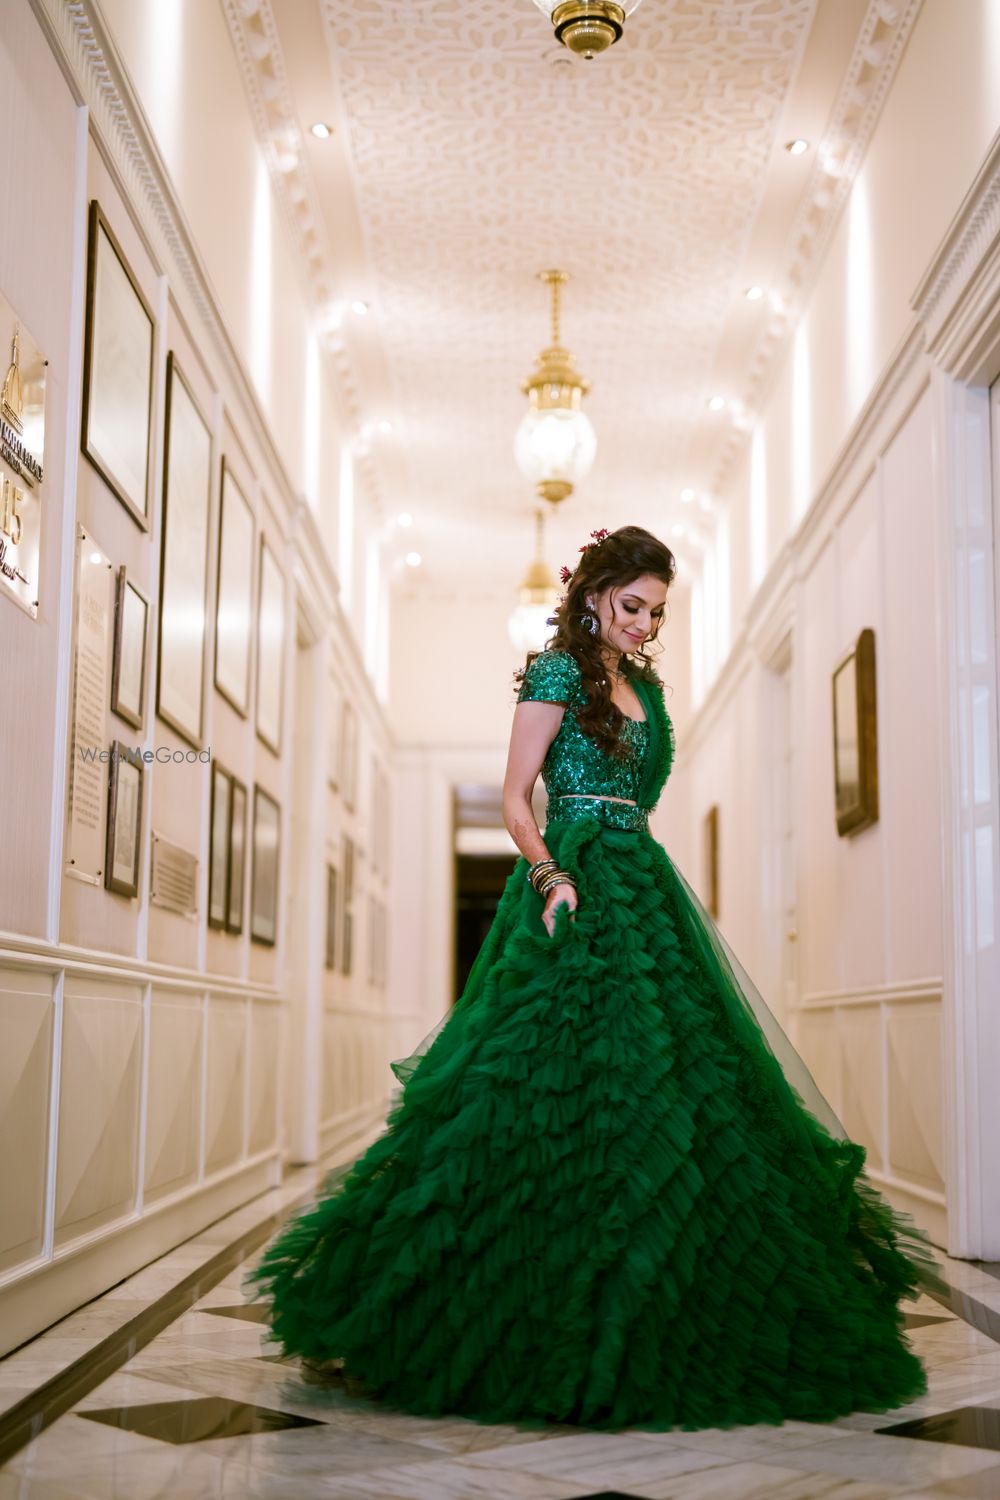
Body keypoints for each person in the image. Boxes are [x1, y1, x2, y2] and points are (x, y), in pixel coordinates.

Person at [251, 522, 944, 1432]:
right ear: (593, 595)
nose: (645, 627)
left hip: (644, 882)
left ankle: (675, 1294)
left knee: (676, 1084)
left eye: (658, 613)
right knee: (548, 1086)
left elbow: (641, 791)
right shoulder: (553, 675)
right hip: (572, 879)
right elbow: (515, 796)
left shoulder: (646, 685)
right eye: (632, 607)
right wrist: (550, 872)